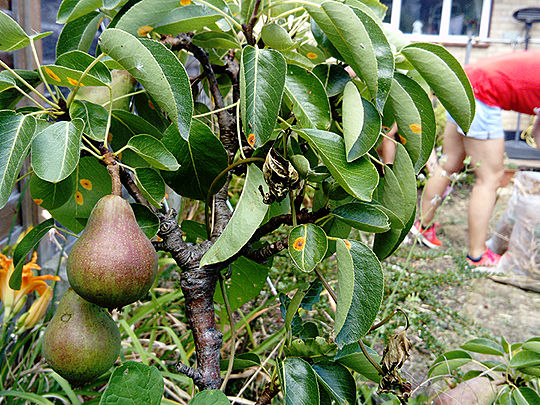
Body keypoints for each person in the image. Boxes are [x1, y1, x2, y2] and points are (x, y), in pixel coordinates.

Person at [411, 50, 540, 267]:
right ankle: (477, 256)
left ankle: (422, 228)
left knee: (449, 164)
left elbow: (537, 131)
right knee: (490, 178)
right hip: (483, 92)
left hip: (464, 83)